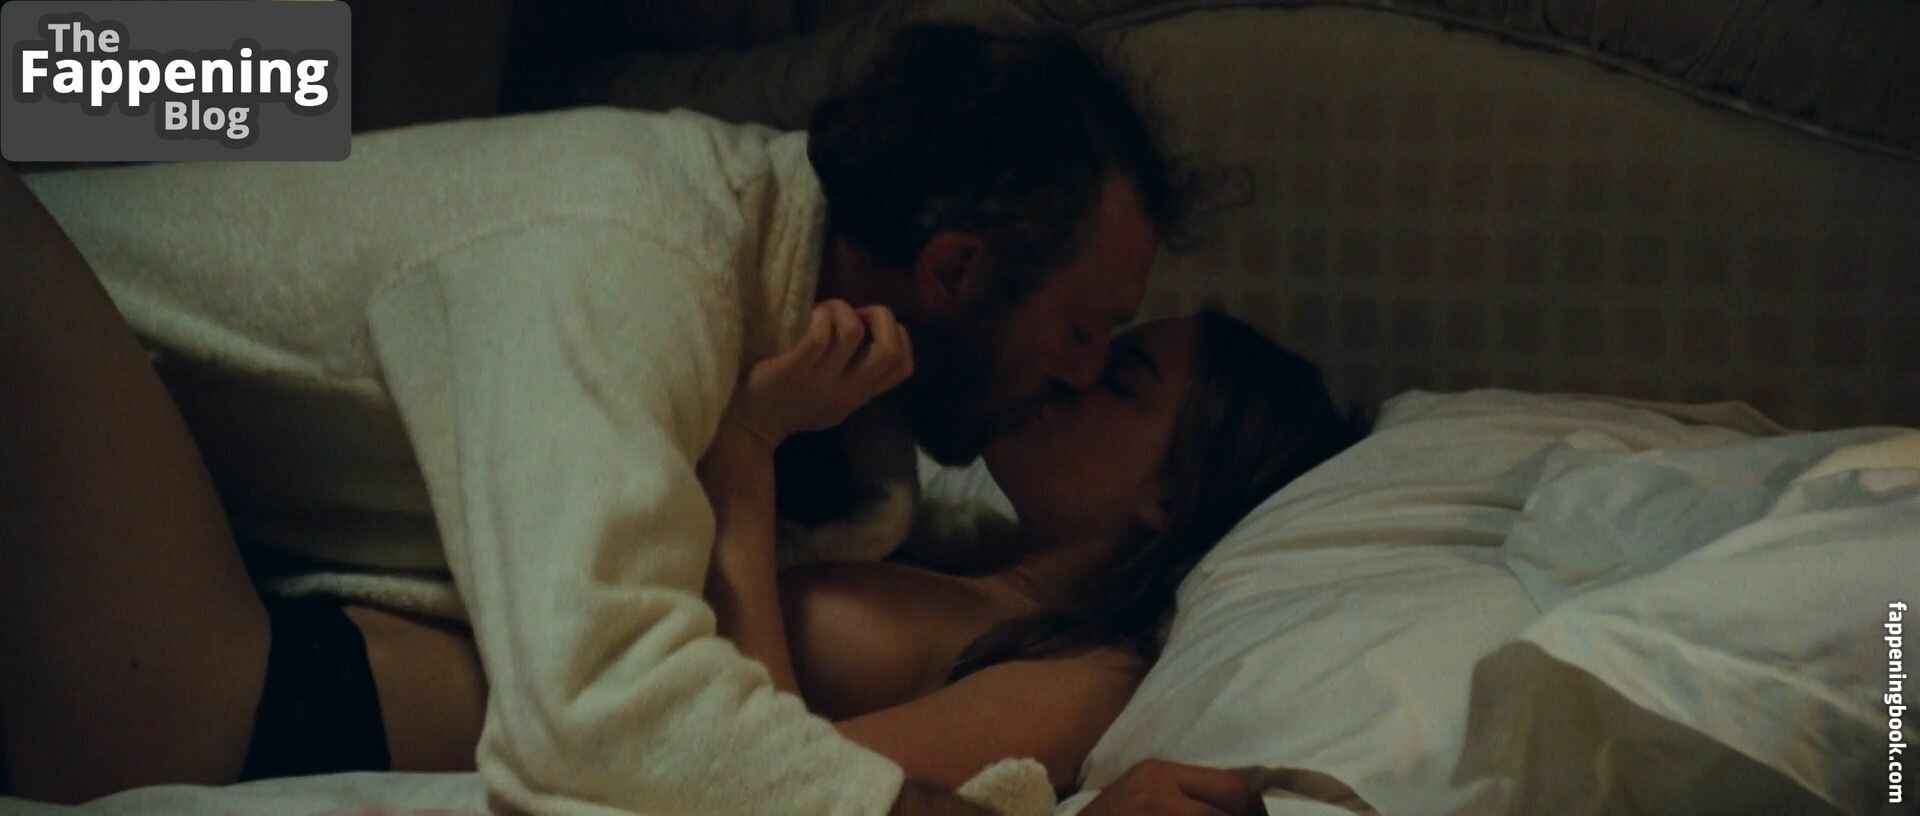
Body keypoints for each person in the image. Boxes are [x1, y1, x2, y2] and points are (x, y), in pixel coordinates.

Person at [0, 19, 1273, 816]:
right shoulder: (639, 253)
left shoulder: (867, 450)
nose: (1076, 374)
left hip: (200, 650)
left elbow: (687, 703)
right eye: (1084, 332)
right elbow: (606, 705)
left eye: (1114, 362)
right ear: (952, 271)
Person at [699, 307, 1363, 797]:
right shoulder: (957, 551)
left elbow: (791, 791)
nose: (1073, 373)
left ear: (1171, 498)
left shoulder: (1079, 676)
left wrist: (745, 451)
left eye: (1119, 380)